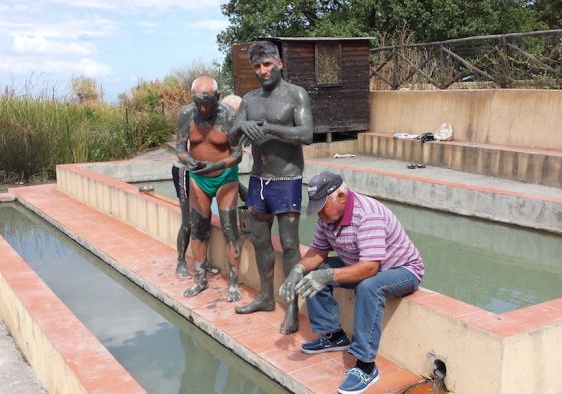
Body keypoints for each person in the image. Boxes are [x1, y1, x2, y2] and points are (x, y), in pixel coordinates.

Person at [279, 171, 425, 394]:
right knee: (315, 271)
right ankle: (334, 335)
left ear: (341, 197)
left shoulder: (368, 215)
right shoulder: (327, 217)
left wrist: (329, 276)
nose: (319, 214)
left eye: (322, 207)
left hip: (402, 270)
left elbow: (370, 268)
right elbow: (318, 251)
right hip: (360, 263)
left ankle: (366, 366)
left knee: (369, 285)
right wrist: (296, 271)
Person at [232, 40, 314, 335]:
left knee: (290, 245)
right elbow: (231, 139)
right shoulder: (249, 100)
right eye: (257, 66)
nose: (262, 70)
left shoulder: (295, 95)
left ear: (279, 63)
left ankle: (291, 308)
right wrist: (242, 127)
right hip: (258, 181)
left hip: (287, 180)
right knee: (260, 241)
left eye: (267, 64)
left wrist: (268, 128)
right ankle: (267, 297)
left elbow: (306, 134)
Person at [176, 76, 243, 302]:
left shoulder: (229, 117)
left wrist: (218, 165)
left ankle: (234, 282)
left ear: (217, 97)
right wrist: (188, 160)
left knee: (228, 228)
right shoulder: (187, 115)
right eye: (198, 102)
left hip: (225, 177)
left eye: (208, 102)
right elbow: (180, 148)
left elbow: (237, 154)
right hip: (198, 178)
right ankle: (200, 279)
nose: (203, 107)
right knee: (198, 227)